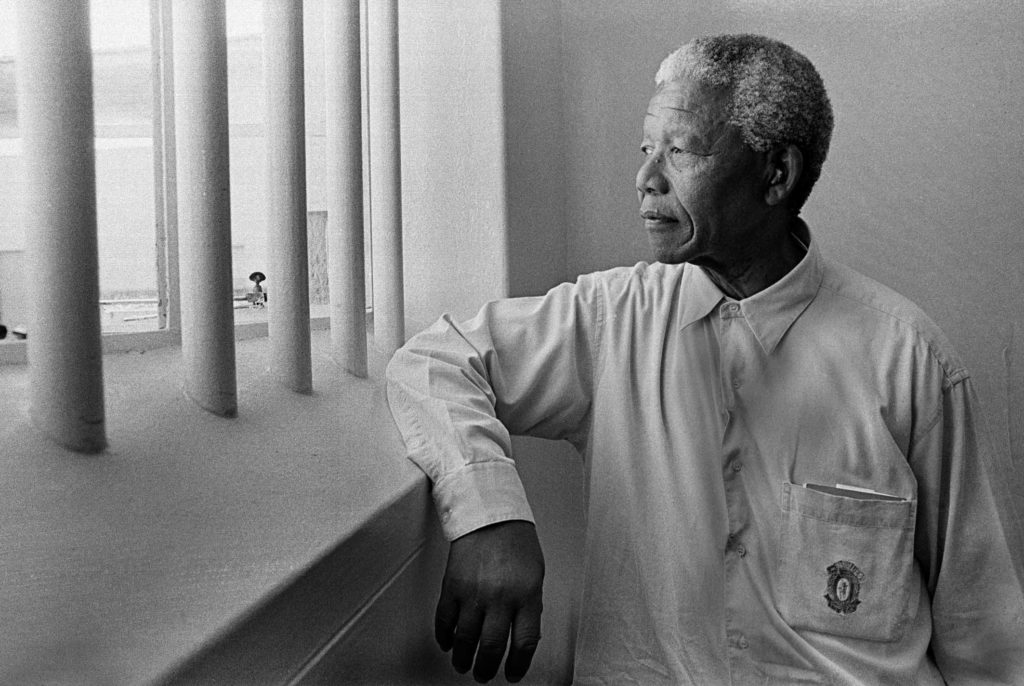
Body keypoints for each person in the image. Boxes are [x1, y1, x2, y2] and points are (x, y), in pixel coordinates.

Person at [385, 34, 1024, 685]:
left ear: (776, 173)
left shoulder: (908, 360)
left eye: (681, 150)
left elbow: (987, 636)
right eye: (646, 148)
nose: (645, 177)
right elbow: (435, 361)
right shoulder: (613, 320)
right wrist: (489, 516)